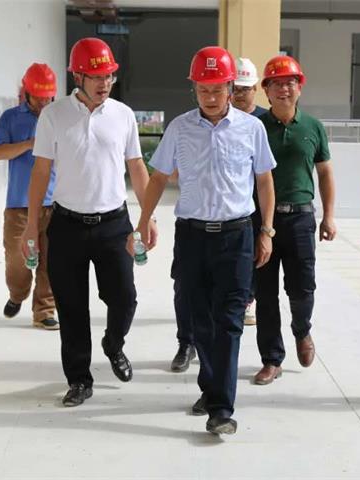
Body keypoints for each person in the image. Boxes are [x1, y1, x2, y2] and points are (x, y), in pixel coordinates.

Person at [130, 46, 276, 435]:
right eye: (203, 90)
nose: (210, 97)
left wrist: (266, 230)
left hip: (237, 236)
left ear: (231, 87)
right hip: (193, 238)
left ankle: (221, 409)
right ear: (193, 88)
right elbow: (158, 177)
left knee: (229, 321)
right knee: (201, 321)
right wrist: (143, 221)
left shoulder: (252, 128)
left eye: (217, 89)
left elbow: (264, 181)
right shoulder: (180, 128)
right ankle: (211, 389)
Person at [22, 38, 156, 407]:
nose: (104, 83)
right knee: (71, 308)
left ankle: (114, 344)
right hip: (66, 225)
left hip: (114, 224)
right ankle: (79, 379)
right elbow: (40, 172)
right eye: (97, 76)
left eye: (109, 76)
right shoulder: (54, 116)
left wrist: (147, 217)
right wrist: (31, 227)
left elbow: (136, 166)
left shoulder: (123, 115)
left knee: (124, 298)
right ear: (77, 77)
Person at [252, 55, 336, 385]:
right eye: (276, 84)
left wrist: (329, 216)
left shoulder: (313, 127)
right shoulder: (256, 127)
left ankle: (302, 330)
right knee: (265, 293)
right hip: (263, 220)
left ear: (300, 88)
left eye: (290, 83)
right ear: (266, 91)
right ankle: (272, 359)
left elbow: (325, 172)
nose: (284, 89)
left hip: (301, 217)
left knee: (302, 288)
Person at [0, 63, 58, 330]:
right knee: (17, 261)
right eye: (38, 97)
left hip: (54, 204)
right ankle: (18, 294)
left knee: (51, 262)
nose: (43, 103)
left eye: (48, 97)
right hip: (19, 205)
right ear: (26, 93)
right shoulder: (10, 118)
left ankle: (45, 311)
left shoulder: (59, 117)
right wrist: (30, 144)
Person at [231, 56, 267, 327]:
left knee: (255, 252)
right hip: (232, 200)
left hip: (259, 198)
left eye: (245, 89)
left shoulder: (266, 120)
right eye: (235, 88)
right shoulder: (221, 117)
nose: (240, 94)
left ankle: (249, 300)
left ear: (255, 89)